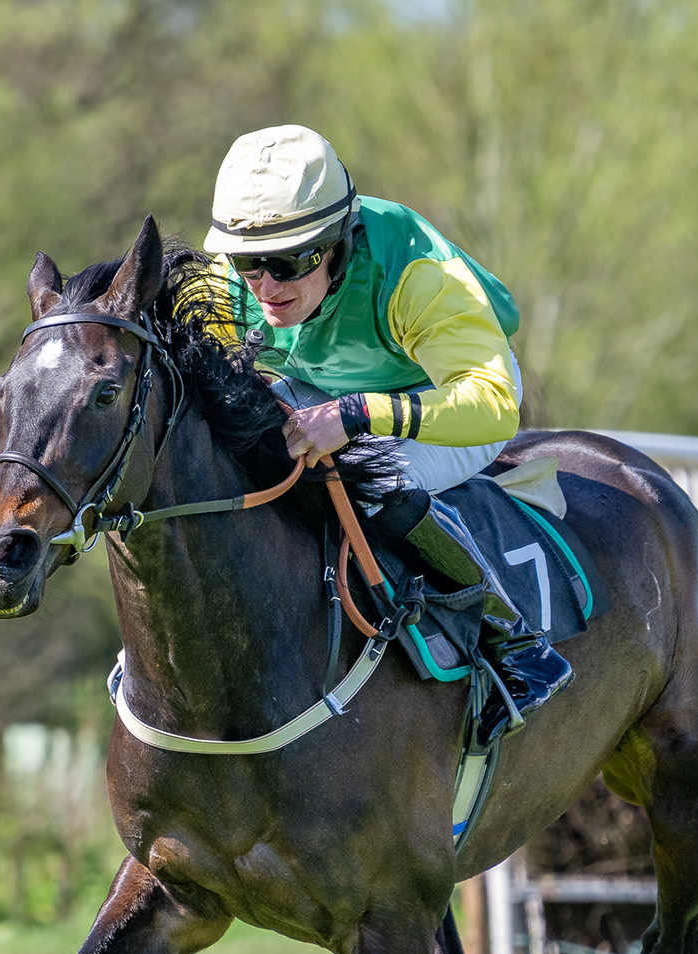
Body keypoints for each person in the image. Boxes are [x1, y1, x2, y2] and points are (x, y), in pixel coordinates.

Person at [199, 124, 571, 741]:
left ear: (338, 242)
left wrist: (356, 416)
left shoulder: (417, 274)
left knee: (375, 480)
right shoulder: (230, 277)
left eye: (289, 263)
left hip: (447, 394)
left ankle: (515, 640)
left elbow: (493, 403)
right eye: (248, 265)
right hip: (320, 385)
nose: (265, 286)